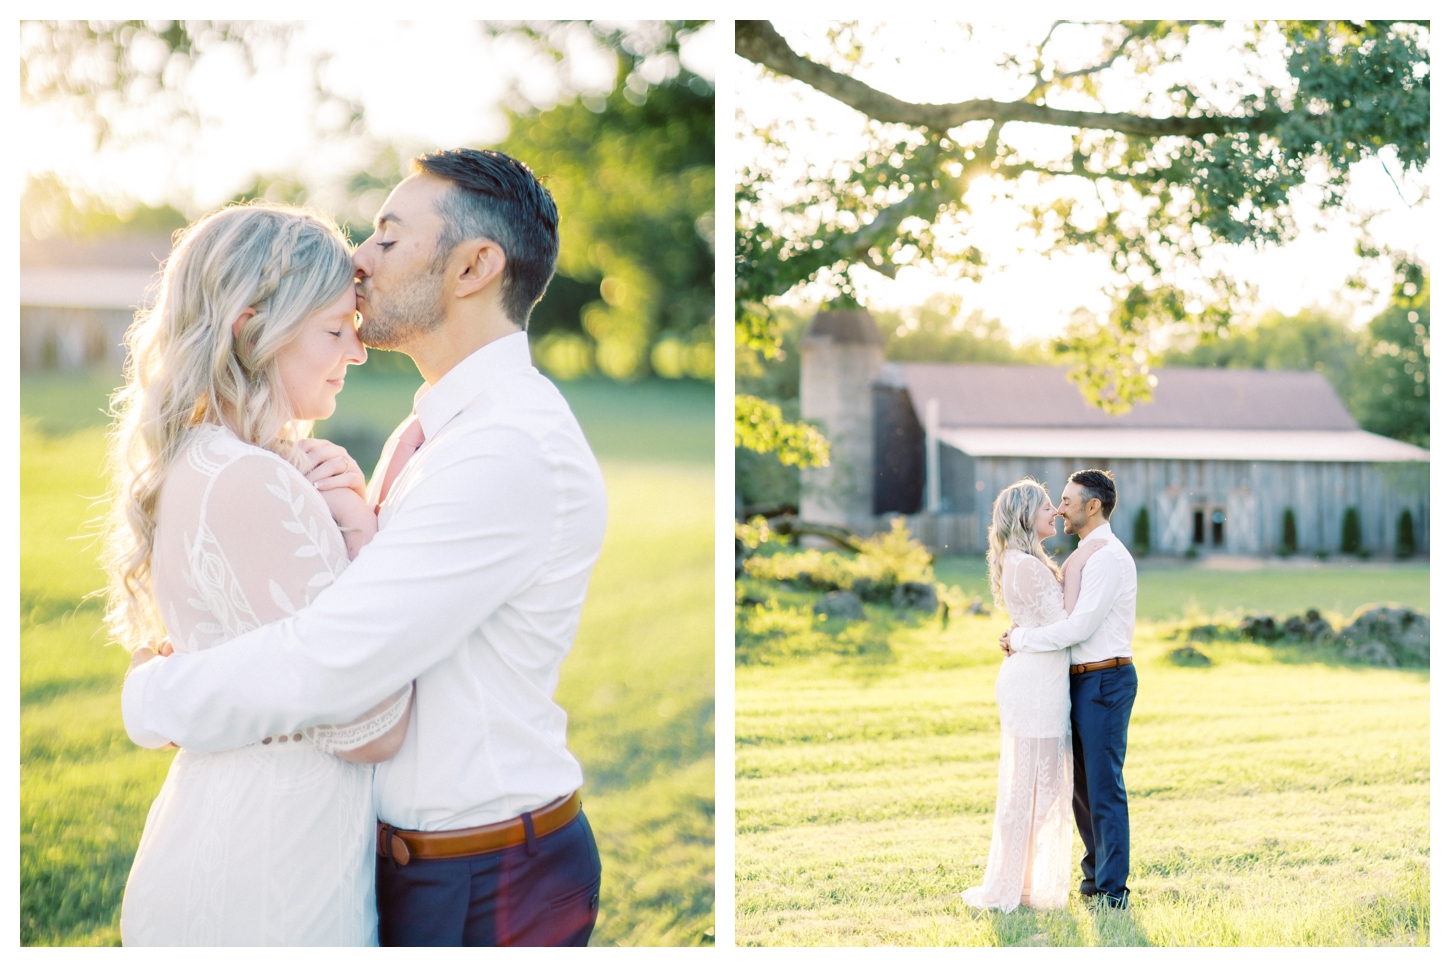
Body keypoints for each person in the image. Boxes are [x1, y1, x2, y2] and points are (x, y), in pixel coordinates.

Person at [122, 148, 608, 946]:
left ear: (474, 266)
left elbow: (335, 656)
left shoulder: (507, 448)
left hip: (485, 875)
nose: (359, 256)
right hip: (400, 860)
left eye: (388, 235)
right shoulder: (431, 434)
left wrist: (155, 696)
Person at [111, 203, 415, 944]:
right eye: (336, 329)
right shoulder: (252, 480)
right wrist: (363, 531)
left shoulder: (205, 460)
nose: (358, 349)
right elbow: (374, 727)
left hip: (237, 836)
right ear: (251, 329)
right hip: (274, 874)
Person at [961, 479, 1104, 912]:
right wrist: (1079, 565)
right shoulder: (1025, 563)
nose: (1055, 512)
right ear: (1025, 515)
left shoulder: (1022, 560)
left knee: (1034, 788)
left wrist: (1020, 636)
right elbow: (1066, 621)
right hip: (1035, 684)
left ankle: (1019, 882)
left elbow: (1043, 623)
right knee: (1034, 789)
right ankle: (1017, 886)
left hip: (1037, 678)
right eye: (1046, 506)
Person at [998, 469, 1138, 909]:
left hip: (1104, 679)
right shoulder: (1085, 554)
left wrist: (1019, 639)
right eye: (1054, 502)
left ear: (1091, 506)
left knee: (1103, 788)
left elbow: (1078, 626)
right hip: (1075, 681)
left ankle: (1112, 892)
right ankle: (1093, 881)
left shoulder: (1106, 558)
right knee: (1081, 789)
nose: (1059, 509)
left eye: (1066, 500)